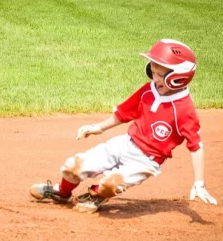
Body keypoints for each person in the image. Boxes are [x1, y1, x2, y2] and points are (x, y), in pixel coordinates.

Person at [29, 38, 217, 214]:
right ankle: (61, 192)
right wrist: (98, 127)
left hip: (147, 161)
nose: (155, 78)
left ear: (179, 77)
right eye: (153, 72)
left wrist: (199, 183)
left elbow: (196, 147)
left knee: (110, 184)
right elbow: (123, 114)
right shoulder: (147, 91)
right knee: (73, 166)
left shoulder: (184, 110)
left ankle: (96, 194)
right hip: (125, 144)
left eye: (160, 75)